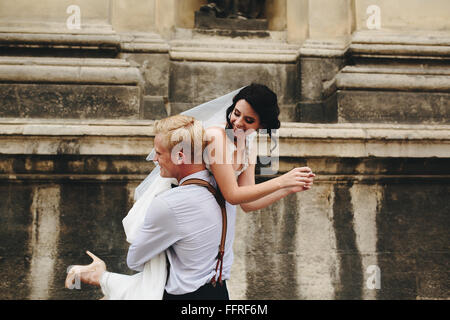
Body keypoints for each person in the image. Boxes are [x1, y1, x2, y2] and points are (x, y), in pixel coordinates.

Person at [65, 84, 315, 299]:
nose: (237, 122)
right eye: (236, 114)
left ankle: (101, 277)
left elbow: (248, 201)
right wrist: (281, 181)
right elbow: (232, 194)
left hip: (215, 266)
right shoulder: (217, 137)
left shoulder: (248, 148)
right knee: (157, 281)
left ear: (262, 126)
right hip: (187, 212)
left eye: (248, 121)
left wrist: (289, 189)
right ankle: (100, 277)